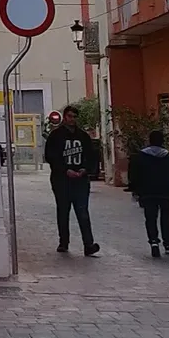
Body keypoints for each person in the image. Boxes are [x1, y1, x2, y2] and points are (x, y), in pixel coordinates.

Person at [43, 105, 101, 255]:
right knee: (63, 211)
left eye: (74, 117)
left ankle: (88, 245)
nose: (72, 120)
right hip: (61, 181)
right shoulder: (56, 136)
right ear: (64, 117)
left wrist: (85, 169)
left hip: (80, 181)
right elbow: (50, 157)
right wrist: (65, 170)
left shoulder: (83, 136)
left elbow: (91, 155)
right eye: (69, 116)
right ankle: (63, 242)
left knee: (82, 211)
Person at [128, 129, 169, 257]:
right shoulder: (168, 157)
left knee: (150, 218)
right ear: (162, 142)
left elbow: (134, 176)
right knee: (166, 218)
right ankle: (168, 244)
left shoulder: (140, 156)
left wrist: (136, 192)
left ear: (149, 141)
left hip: (147, 193)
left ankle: (154, 242)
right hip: (166, 193)